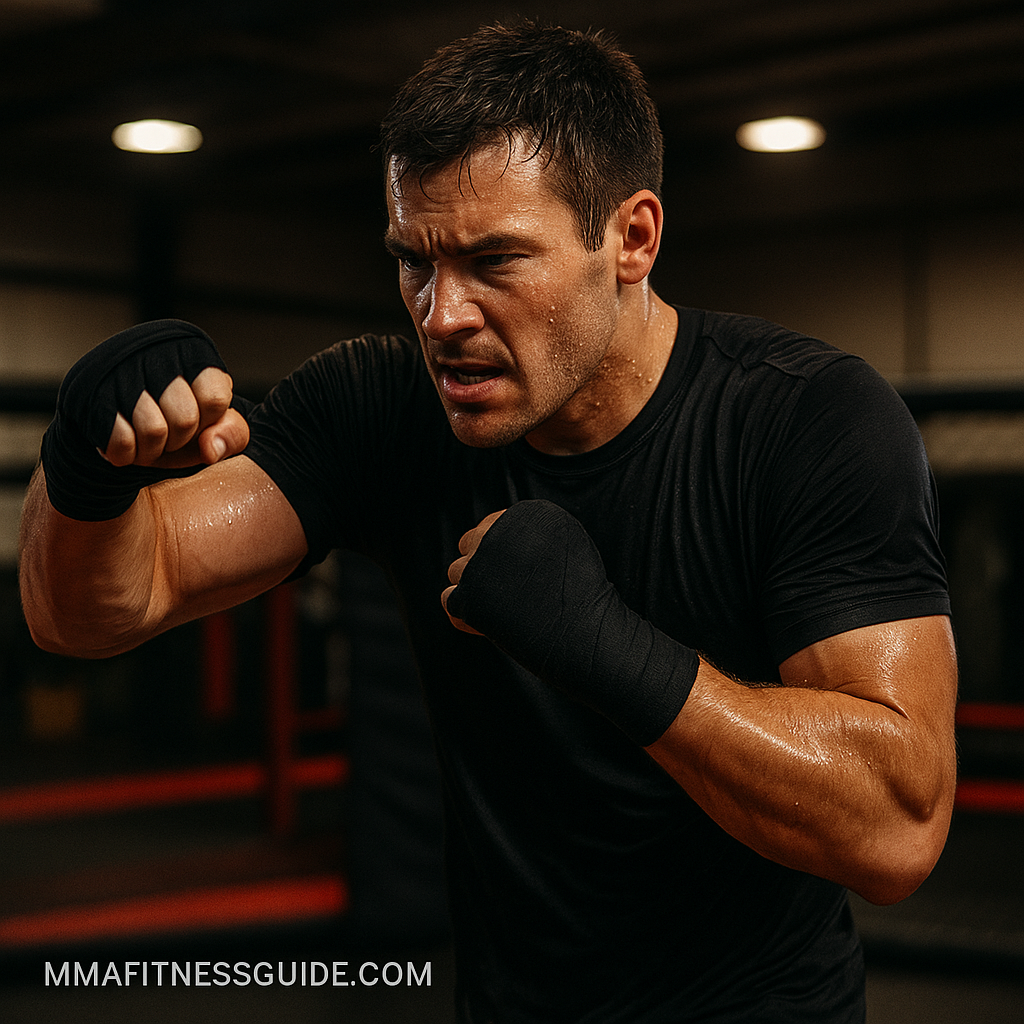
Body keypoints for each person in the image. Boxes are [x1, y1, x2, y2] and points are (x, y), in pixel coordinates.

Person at [19, 21, 957, 1024]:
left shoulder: (806, 420)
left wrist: (612, 652)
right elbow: (99, 605)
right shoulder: (381, 411)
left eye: (494, 259)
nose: (440, 314)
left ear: (631, 239)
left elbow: (896, 826)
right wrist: (82, 472)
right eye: (414, 261)